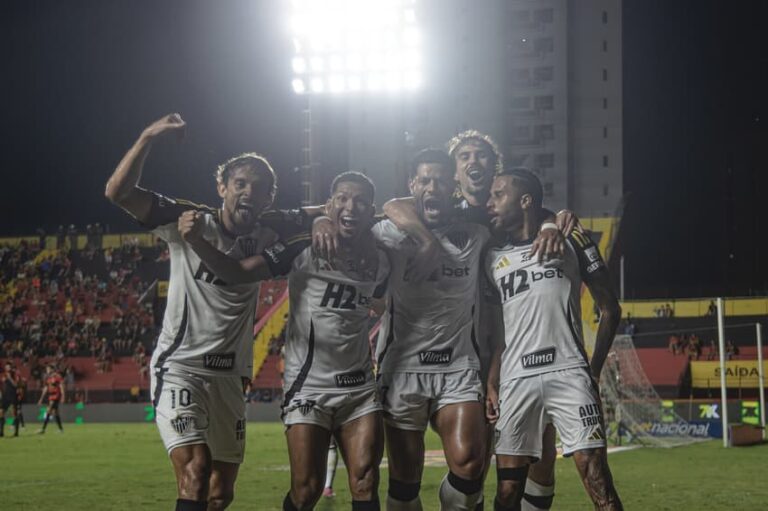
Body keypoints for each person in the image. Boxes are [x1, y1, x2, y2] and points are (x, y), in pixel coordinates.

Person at [105, 113, 313, 511]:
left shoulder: (273, 229)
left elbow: (330, 211)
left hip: (229, 379)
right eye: (240, 183)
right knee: (196, 469)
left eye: (259, 187)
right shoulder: (188, 220)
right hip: (181, 367)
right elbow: (118, 191)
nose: (248, 192)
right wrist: (148, 136)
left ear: (269, 198)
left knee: (220, 492)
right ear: (222, 187)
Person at [379, 132, 577, 511]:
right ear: (454, 172)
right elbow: (392, 205)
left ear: (495, 167)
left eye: (482, 155)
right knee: (477, 459)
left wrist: (551, 224)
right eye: (464, 156)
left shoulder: (512, 211)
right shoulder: (449, 211)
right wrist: (426, 239)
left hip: (521, 342)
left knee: (539, 452)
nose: (474, 161)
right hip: (470, 348)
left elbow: (547, 214)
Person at [187, 171, 389, 511]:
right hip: (308, 386)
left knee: (366, 481)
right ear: (329, 204)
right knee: (306, 489)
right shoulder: (302, 246)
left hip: (359, 387)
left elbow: (381, 299)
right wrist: (197, 242)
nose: (350, 207)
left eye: (360, 202)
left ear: (372, 211)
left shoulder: (381, 258)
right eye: (342, 199)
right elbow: (240, 271)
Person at [484, 168, 623, 510]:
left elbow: (610, 309)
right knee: (507, 492)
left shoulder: (573, 240)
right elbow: (500, 330)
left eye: (498, 195)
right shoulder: (492, 257)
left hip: (569, 372)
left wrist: (592, 372)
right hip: (515, 379)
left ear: (525, 200)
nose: (490, 202)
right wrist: (492, 380)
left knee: (598, 482)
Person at [372, 149, 490, 511]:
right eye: (424, 180)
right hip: (402, 368)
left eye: (440, 180)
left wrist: (551, 223)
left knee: (469, 463)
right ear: (413, 185)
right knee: (405, 481)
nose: (432, 187)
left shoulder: (477, 232)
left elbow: (524, 212)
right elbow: (352, 216)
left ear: (453, 186)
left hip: (458, 366)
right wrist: (322, 223)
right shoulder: (386, 233)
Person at [37, 364, 65, 434]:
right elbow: (45, 388)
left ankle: (43, 429)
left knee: (48, 411)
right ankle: (61, 429)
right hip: (50, 396)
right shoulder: (48, 378)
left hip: (56, 396)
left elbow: (61, 386)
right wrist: (41, 398)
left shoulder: (57, 377)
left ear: (52, 369)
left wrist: (63, 396)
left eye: (48, 369)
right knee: (56, 413)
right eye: (47, 369)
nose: (47, 370)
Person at [1, 362, 21, 437]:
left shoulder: (15, 375)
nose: (7, 368)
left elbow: (16, 385)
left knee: (14, 413)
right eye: (6, 367)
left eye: (9, 367)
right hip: (5, 396)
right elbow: (3, 384)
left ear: (11, 368)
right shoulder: (4, 375)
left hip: (13, 396)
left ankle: (16, 432)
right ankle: (1, 432)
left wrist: (9, 378)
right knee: (1, 412)